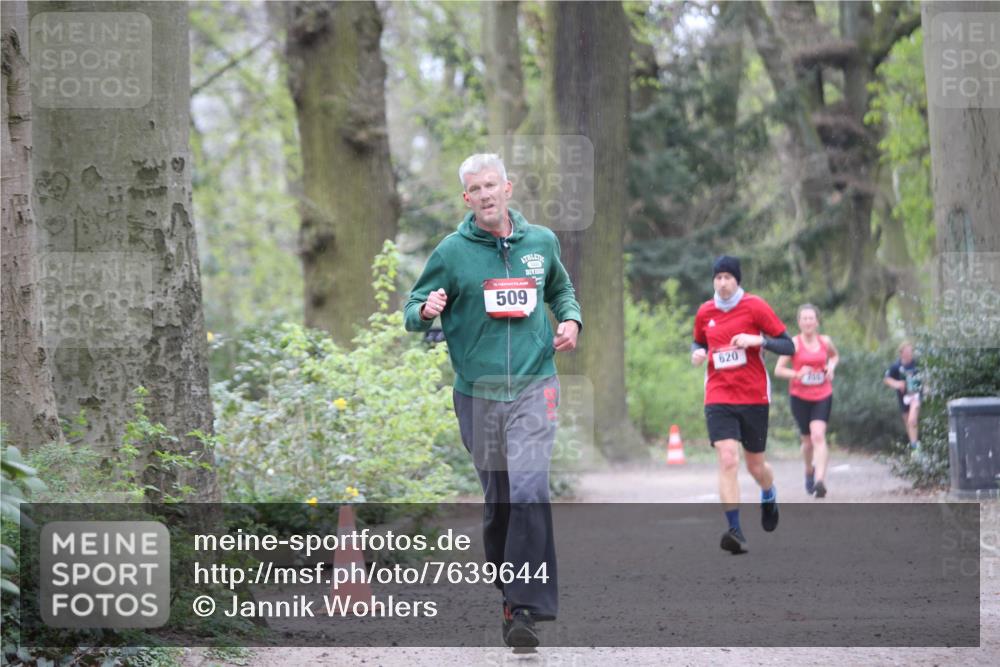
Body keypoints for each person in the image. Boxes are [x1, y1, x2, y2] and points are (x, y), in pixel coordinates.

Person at [404, 153, 582, 649]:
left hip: (534, 385)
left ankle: (525, 606)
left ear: (508, 187)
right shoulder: (452, 252)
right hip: (477, 395)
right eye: (474, 189)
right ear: (467, 198)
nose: (484, 194)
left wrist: (570, 321)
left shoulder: (541, 242)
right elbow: (410, 311)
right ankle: (510, 594)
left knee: (527, 489)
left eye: (491, 185)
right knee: (501, 499)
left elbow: (562, 292)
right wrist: (426, 308)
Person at [691, 256, 795, 555]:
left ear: (737, 280)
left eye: (728, 277)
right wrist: (697, 354)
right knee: (727, 458)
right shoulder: (705, 312)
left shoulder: (755, 307)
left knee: (755, 466)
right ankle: (734, 529)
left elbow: (788, 345)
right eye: (718, 277)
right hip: (718, 395)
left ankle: (768, 492)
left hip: (753, 397)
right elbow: (698, 342)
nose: (722, 282)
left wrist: (757, 340)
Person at [774, 304, 839, 498]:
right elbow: (778, 370)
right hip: (799, 397)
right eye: (805, 318)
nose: (808, 322)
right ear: (799, 322)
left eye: (811, 318)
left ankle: (820, 480)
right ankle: (808, 471)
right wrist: (797, 373)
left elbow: (834, 357)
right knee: (807, 442)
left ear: (817, 322)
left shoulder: (825, 341)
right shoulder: (792, 343)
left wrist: (831, 367)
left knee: (818, 435)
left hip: (822, 394)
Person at [884, 341, 922, 450]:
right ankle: (915, 445)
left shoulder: (917, 364)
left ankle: (915, 447)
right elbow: (887, 379)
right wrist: (897, 384)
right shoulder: (896, 366)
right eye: (906, 351)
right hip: (903, 398)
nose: (909, 353)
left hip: (916, 395)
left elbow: (926, 375)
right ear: (901, 353)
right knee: (908, 422)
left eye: (910, 351)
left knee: (912, 419)